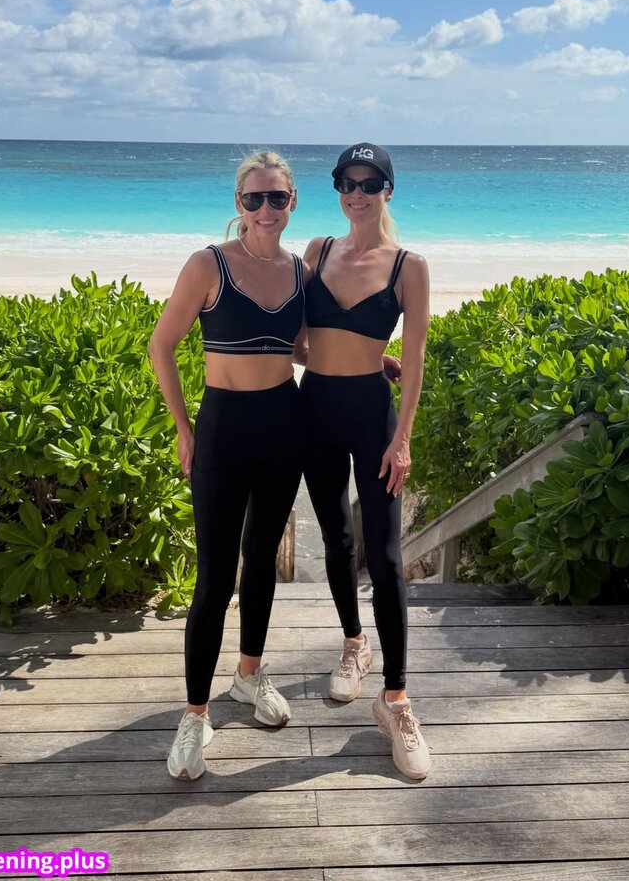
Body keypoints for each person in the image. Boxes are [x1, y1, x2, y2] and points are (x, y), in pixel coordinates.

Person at [149, 150, 307, 781]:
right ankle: (195, 714)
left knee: (262, 558)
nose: (265, 209)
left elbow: (298, 345)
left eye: (277, 198)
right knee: (215, 578)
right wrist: (184, 428)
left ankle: (248, 674)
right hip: (224, 428)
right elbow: (162, 344)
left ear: (292, 202)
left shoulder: (300, 271)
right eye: (254, 198)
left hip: (284, 424)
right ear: (239, 203)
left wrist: (371, 362)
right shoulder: (208, 264)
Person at [299, 142, 431, 780]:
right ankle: (355, 644)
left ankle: (396, 700)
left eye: (369, 183)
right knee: (336, 536)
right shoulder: (316, 251)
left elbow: (418, 359)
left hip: (374, 418)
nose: (356, 193)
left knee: (385, 556)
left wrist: (401, 438)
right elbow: (297, 344)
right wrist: (360, 354)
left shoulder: (409, 266)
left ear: (387, 190)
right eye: (346, 183)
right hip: (315, 409)